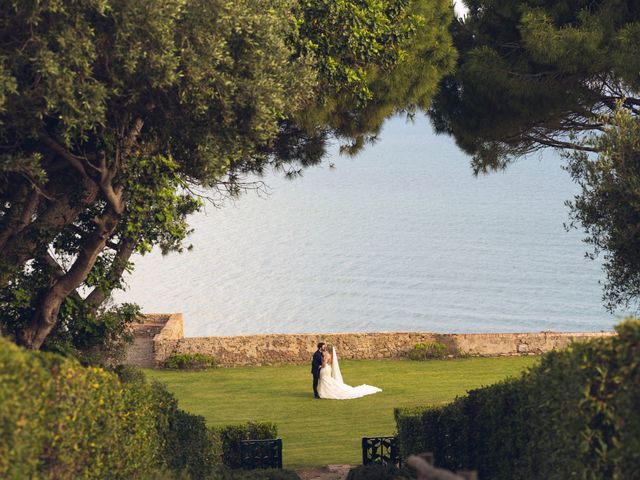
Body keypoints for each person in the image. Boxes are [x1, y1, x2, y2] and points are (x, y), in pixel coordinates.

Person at [317, 345, 381, 400]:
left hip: (325, 368)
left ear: (328, 349)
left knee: (325, 380)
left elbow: (324, 364)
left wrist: (320, 366)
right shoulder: (331, 356)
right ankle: (325, 392)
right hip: (329, 369)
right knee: (327, 380)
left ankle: (324, 393)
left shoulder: (327, 355)